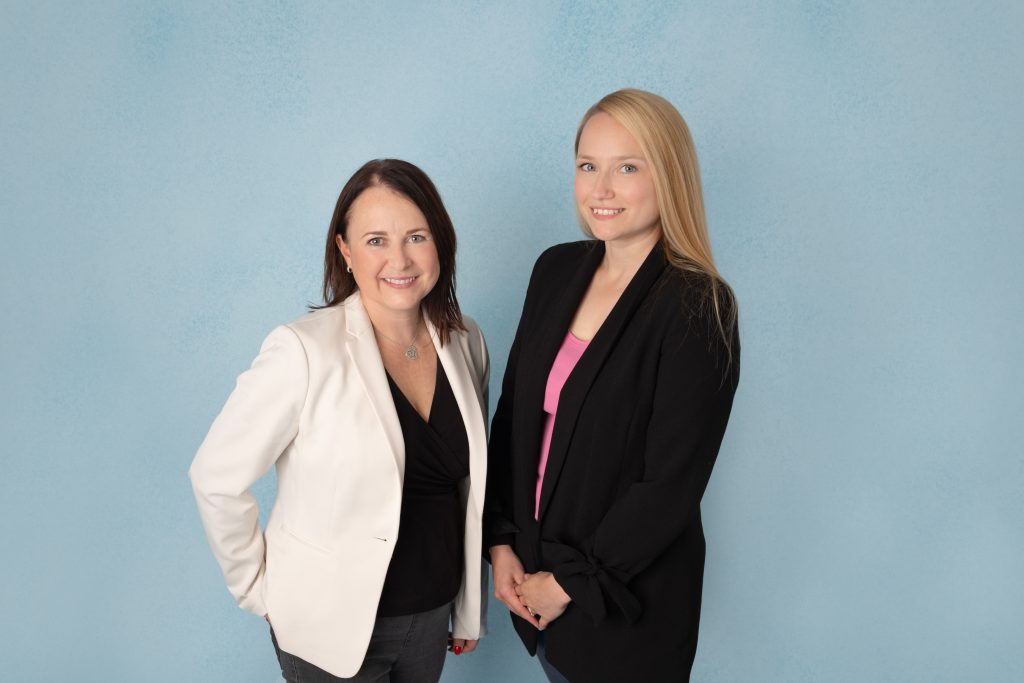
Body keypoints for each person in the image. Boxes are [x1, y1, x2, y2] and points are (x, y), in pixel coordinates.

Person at [190, 159, 489, 682]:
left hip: (431, 614)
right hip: (326, 626)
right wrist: (258, 590)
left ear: (441, 242)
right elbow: (215, 477)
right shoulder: (303, 349)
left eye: (416, 236)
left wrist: (468, 604)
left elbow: (465, 487)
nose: (399, 258)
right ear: (345, 250)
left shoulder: (465, 339)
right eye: (375, 240)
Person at [485, 89, 741, 682]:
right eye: (587, 166)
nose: (601, 188)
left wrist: (574, 583)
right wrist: (501, 542)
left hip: (625, 610)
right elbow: (513, 420)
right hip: (535, 589)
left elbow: (669, 484)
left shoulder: (698, 305)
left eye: (627, 167)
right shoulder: (555, 270)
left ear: (669, 174)